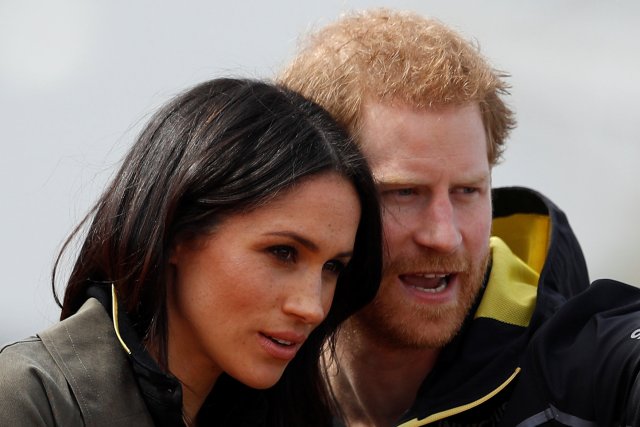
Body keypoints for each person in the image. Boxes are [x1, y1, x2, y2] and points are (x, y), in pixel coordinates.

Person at [278, 8, 640, 426]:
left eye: (467, 191)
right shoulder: (243, 380)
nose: (444, 235)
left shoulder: (587, 363)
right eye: (404, 192)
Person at [0, 78, 383, 426]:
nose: (312, 307)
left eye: (332, 266)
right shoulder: (31, 399)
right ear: (178, 233)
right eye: (283, 252)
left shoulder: (305, 415)